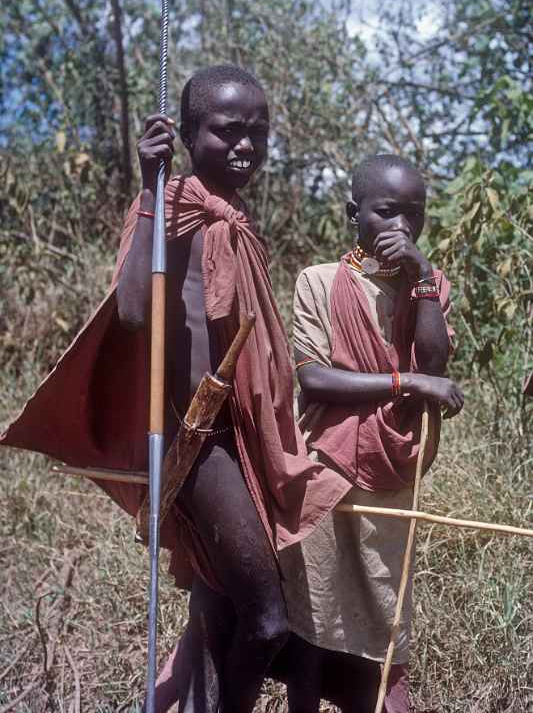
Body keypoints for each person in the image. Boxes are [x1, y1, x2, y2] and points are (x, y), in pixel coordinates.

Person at [1, 64, 351, 713]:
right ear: (189, 136)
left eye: (257, 131)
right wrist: (145, 187)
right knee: (269, 622)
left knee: (218, 631)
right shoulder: (168, 209)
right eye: (226, 132)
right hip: (198, 445)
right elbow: (133, 311)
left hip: (245, 443)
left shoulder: (237, 222)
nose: (245, 144)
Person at [278, 154, 464, 712]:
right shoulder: (320, 281)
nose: (402, 228)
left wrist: (424, 283)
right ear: (353, 214)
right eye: (387, 213)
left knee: (386, 614)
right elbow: (314, 377)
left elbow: (436, 365)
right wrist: (407, 382)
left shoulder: (429, 286)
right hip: (325, 468)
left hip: (396, 475)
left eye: (415, 215)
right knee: (314, 613)